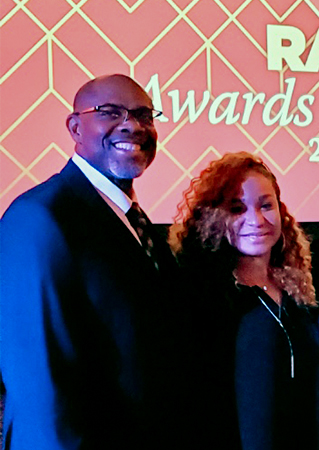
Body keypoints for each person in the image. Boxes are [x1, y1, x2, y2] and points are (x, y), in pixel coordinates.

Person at [0, 74, 191, 448]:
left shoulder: (137, 223)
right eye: (110, 113)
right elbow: (38, 379)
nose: (132, 126)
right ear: (75, 126)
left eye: (144, 115)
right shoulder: (42, 216)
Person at [170, 151, 319, 450]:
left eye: (265, 205)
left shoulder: (298, 296)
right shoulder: (202, 300)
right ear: (213, 219)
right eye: (236, 208)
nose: (255, 220)